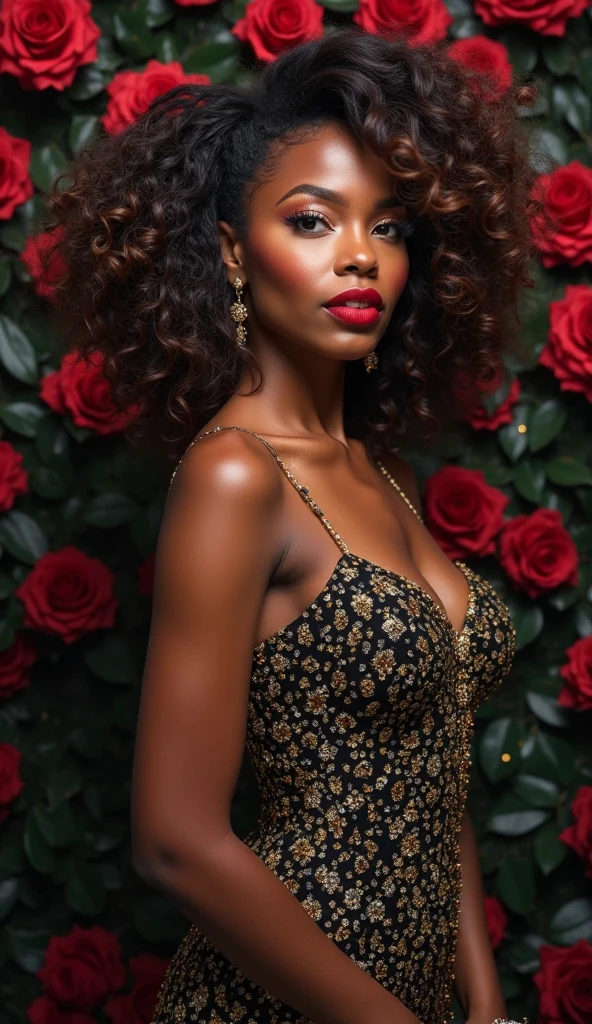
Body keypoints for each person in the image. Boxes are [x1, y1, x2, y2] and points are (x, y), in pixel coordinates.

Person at [42, 25, 543, 1024]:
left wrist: (485, 1008)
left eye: (389, 227)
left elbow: (435, 778)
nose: (359, 256)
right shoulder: (236, 476)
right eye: (313, 221)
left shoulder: (382, 472)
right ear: (234, 251)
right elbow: (175, 842)